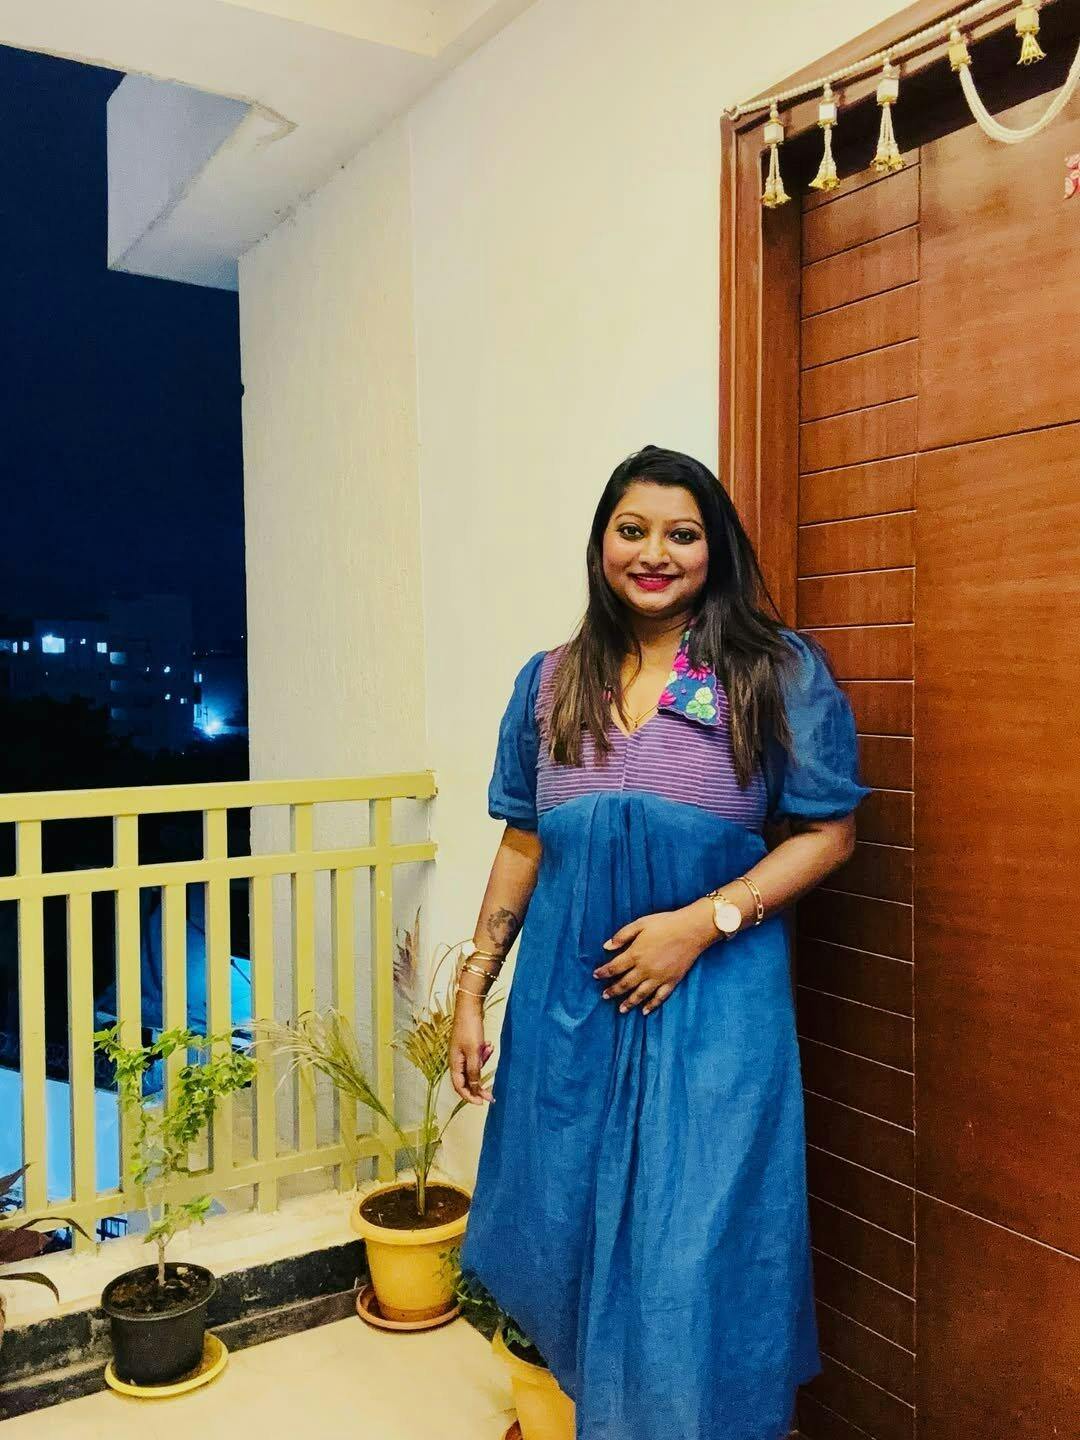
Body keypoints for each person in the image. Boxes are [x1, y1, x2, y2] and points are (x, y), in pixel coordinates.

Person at [450, 444, 868, 1440]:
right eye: (631, 529)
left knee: (691, 1254)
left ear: (713, 549)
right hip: (569, 1016)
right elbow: (524, 840)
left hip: (712, 1014)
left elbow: (829, 832)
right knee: (564, 1228)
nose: (654, 553)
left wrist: (700, 924)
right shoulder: (550, 682)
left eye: (682, 533)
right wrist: (473, 986)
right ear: (602, 543)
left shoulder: (774, 670)